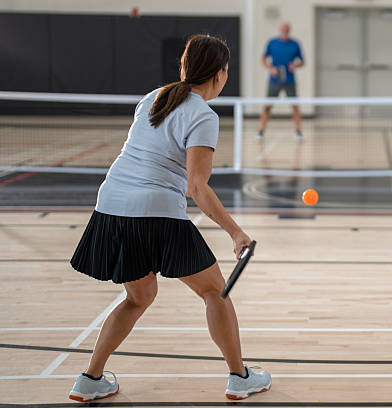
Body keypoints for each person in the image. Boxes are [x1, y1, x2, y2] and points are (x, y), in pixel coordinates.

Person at [68, 34, 271, 402]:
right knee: (215, 291)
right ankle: (240, 377)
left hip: (111, 205)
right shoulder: (202, 115)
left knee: (138, 295)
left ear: (185, 67)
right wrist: (236, 233)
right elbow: (197, 187)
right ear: (221, 74)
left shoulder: (154, 97)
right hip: (155, 210)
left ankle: (90, 379)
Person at [258, 21, 305, 141]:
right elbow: (263, 58)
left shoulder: (295, 44)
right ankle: (261, 131)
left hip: (290, 80)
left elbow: (302, 61)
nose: (285, 31)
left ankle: (298, 131)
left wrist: (295, 66)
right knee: (268, 106)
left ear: (289, 30)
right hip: (274, 79)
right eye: (283, 29)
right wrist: (271, 68)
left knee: (295, 106)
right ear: (280, 30)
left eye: (287, 29)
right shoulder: (272, 43)